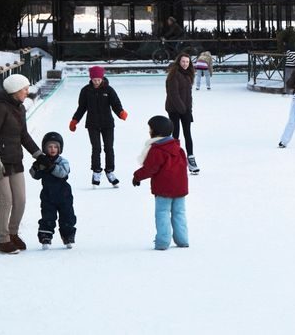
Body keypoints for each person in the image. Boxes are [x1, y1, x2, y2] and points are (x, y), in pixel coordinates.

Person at [0, 73, 44, 254]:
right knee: (6, 201)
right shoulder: (0, 108)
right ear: (15, 91)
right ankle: (3, 240)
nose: (27, 92)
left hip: (15, 160)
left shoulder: (20, 108)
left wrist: (38, 154)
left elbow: (23, 135)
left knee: (20, 200)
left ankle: (13, 233)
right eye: (24, 89)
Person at [132, 115, 189, 251]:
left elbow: (150, 168)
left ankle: (163, 241)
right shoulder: (178, 148)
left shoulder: (157, 150)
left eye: (150, 129)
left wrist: (137, 176)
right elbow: (183, 166)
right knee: (179, 213)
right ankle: (182, 239)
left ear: (156, 131)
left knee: (162, 213)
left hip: (164, 189)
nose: (149, 131)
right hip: (180, 188)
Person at [71, 65, 127, 186]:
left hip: (107, 124)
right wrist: (75, 120)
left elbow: (116, 104)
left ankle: (110, 171)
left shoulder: (109, 90)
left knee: (109, 148)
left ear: (102, 78)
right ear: (90, 78)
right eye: (94, 79)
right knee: (96, 148)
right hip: (92, 124)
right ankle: (96, 171)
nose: (96, 82)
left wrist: (121, 112)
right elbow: (82, 108)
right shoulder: (86, 91)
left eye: (99, 79)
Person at [30, 131, 76, 248]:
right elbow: (35, 175)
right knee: (47, 216)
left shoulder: (62, 162)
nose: (52, 149)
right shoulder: (42, 161)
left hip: (64, 195)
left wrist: (50, 166)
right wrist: (36, 167)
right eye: (49, 146)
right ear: (45, 148)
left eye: (55, 146)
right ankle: (45, 236)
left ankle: (68, 236)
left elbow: (62, 173)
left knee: (67, 216)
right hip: (47, 195)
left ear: (60, 149)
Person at [165, 53, 199, 174]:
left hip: (185, 110)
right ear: (179, 62)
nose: (185, 64)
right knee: (175, 134)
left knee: (188, 134)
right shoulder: (174, 75)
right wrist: (182, 109)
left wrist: (188, 110)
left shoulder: (188, 75)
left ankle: (191, 158)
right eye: (183, 61)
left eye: (187, 62)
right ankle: (174, 159)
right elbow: (173, 95)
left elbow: (188, 96)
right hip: (174, 109)